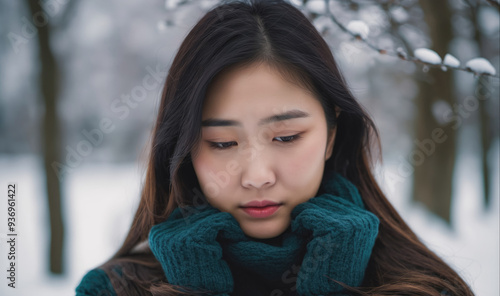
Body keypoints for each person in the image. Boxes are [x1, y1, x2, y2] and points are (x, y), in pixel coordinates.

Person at [75, 0, 475, 295]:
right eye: (222, 142)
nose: (256, 177)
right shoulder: (113, 289)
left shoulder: (422, 287)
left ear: (332, 134)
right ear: (182, 145)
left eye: (285, 137)